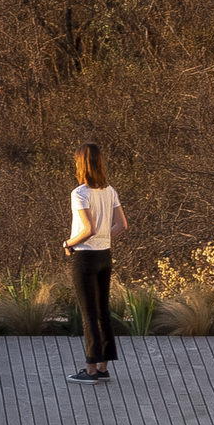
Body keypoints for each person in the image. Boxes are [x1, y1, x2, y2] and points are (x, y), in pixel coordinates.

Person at [67, 143, 127, 381]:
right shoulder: (109, 191)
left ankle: (90, 370)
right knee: (103, 311)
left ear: (81, 165)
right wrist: (103, 237)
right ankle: (103, 368)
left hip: (85, 257)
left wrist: (68, 243)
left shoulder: (79, 193)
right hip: (105, 255)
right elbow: (122, 225)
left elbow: (88, 229)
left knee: (89, 313)